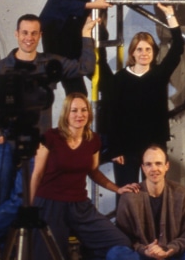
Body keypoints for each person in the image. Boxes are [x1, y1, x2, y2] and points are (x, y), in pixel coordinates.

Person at [0, 14, 97, 252]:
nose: (29, 38)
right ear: (16, 34)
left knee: (25, 196)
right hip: (4, 144)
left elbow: (85, 67)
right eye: (25, 33)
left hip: (36, 146)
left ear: (40, 36)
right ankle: (5, 252)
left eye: (34, 33)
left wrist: (86, 35)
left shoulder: (50, 64)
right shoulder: (0, 68)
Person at [30, 93, 138, 260]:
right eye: (74, 111)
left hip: (80, 206)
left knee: (119, 242)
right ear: (66, 113)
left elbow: (93, 171)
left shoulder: (93, 140)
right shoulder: (51, 137)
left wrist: (117, 189)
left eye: (83, 110)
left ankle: (86, 254)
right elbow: (37, 175)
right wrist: (31, 208)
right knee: (51, 255)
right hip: (51, 204)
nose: (79, 115)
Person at [108, 0, 184, 188]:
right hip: (126, 148)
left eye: (148, 49)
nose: (144, 53)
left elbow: (177, 48)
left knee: (154, 194)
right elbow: (110, 115)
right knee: (128, 196)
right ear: (132, 53)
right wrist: (115, 149)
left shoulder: (159, 74)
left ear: (154, 52)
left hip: (155, 145)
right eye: (139, 49)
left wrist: (169, 15)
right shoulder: (119, 79)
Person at [114, 145, 185, 260]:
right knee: (115, 253)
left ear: (167, 166)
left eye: (158, 163)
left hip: (174, 255)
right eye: (148, 164)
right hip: (144, 256)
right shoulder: (129, 197)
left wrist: (168, 249)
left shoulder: (181, 193)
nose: (154, 169)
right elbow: (124, 239)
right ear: (143, 168)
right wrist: (145, 251)